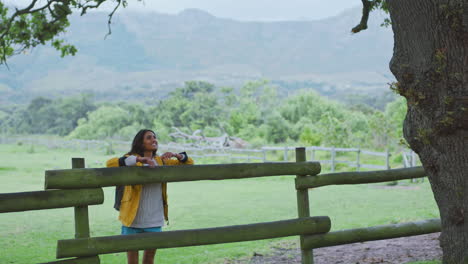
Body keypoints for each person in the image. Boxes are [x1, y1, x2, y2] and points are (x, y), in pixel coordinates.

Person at [106, 129, 194, 264]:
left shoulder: (161, 161)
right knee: (132, 262)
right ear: (140, 143)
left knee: (149, 260)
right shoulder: (131, 159)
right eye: (149, 138)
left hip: (154, 219)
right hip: (132, 219)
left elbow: (189, 164)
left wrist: (177, 155)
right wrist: (140, 159)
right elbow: (110, 163)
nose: (154, 140)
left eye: (154, 137)